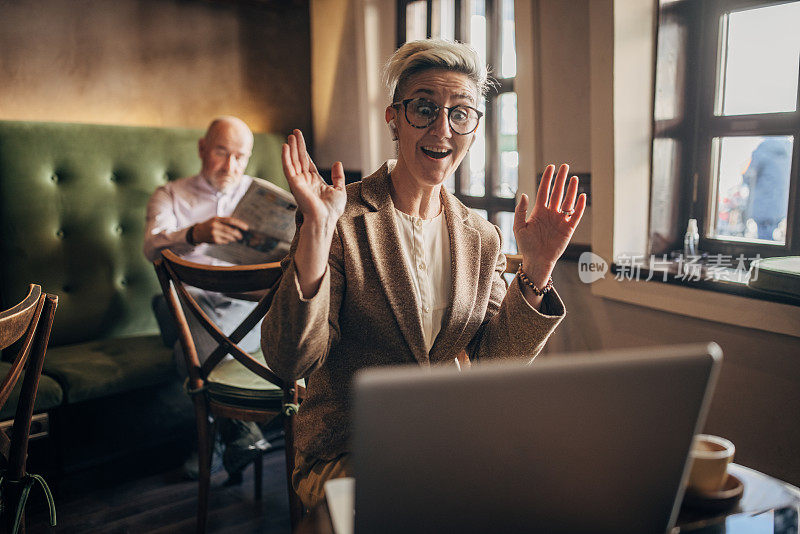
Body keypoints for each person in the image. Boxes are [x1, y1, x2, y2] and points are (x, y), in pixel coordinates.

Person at [261, 39, 586, 509]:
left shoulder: (481, 236)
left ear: (474, 128)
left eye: (460, 113)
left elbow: (495, 361)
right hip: (349, 449)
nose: (442, 127)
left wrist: (538, 267)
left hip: (448, 442)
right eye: (424, 108)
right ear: (394, 118)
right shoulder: (339, 216)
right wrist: (315, 232)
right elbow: (290, 362)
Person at [144, 116, 268, 482]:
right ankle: (241, 430)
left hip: (242, 303)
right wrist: (195, 233)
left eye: (240, 157)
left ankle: (214, 435)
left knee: (187, 345)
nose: (231, 166)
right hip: (191, 298)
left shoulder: (258, 197)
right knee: (184, 312)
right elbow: (151, 246)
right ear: (202, 148)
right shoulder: (169, 195)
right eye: (221, 152)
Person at [742, 137, 792, 241]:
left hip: (763, 204)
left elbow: (750, 175)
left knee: (764, 240)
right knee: (771, 237)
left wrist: (743, 175)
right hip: (781, 205)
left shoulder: (763, 148)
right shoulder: (789, 148)